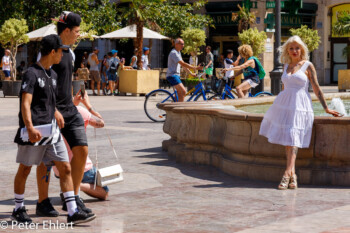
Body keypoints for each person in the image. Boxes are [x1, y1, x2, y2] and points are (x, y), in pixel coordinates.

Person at [12, 34, 95, 225]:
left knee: (65, 167)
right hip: (35, 131)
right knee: (24, 169)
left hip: (52, 130)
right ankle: (18, 208)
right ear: (52, 51)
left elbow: (49, 100)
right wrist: (30, 127)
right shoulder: (31, 73)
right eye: (61, 51)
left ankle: (73, 212)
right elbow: (26, 103)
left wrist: (56, 111)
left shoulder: (53, 74)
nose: (62, 56)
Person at [259, 35, 341, 190]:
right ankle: (293, 175)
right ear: (287, 51)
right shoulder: (285, 66)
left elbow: (316, 88)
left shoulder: (307, 65)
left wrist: (326, 108)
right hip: (285, 105)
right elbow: (284, 88)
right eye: (291, 48)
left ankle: (286, 173)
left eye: (297, 48)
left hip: (301, 105)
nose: (294, 51)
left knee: (292, 137)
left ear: (302, 49)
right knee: (289, 139)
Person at [35, 11, 95, 217]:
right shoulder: (47, 50)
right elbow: (40, 83)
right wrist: (52, 110)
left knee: (81, 150)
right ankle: (42, 202)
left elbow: (66, 81)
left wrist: (73, 101)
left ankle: (73, 198)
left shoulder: (71, 52)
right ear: (67, 30)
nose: (79, 34)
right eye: (77, 31)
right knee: (46, 158)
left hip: (69, 110)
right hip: (50, 111)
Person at [53, 94, 108, 200]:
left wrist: (73, 103)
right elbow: (100, 122)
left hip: (59, 168)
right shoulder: (78, 110)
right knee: (104, 192)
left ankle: (68, 185)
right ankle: (73, 186)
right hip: (81, 167)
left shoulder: (52, 113)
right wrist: (88, 105)